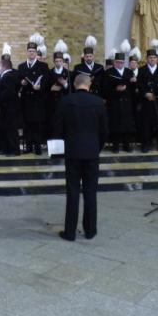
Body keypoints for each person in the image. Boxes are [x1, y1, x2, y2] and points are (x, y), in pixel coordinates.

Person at [52, 74, 108, 241]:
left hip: (72, 152)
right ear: (89, 85)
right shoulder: (99, 102)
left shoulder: (65, 101)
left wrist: (60, 149)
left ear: (75, 84)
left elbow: (57, 127)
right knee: (91, 192)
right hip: (91, 152)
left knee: (73, 192)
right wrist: (96, 148)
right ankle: (90, 230)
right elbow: (105, 131)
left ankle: (70, 232)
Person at [136, 47, 158, 153]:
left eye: (154, 57)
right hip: (148, 102)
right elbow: (139, 85)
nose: (152, 59)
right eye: (150, 57)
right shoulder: (142, 70)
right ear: (147, 59)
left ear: (157, 59)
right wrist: (145, 93)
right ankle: (146, 145)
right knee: (147, 124)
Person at [18, 41, 49, 155]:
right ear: (27, 52)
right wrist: (21, 83)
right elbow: (18, 80)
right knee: (27, 124)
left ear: (36, 53)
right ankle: (28, 146)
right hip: (26, 99)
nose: (31, 53)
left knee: (37, 124)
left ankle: (38, 146)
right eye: (29, 51)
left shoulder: (43, 66)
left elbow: (47, 81)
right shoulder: (21, 66)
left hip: (37, 99)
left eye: (33, 51)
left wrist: (40, 87)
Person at [103, 52, 136, 153]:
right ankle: (115, 146)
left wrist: (133, 82)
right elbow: (105, 89)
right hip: (114, 102)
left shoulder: (129, 72)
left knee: (127, 125)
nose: (119, 64)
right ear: (114, 62)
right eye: (117, 62)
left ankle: (127, 145)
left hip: (126, 102)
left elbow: (134, 90)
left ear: (124, 63)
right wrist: (116, 90)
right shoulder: (108, 73)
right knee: (115, 125)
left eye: (121, 62)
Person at [0, 58, 22, 156]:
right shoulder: (12, 75)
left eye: (0, 66)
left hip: (9, 108)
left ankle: (14, 150)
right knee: (7, 129)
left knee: (11, 129)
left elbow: (8, 92)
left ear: (4, 66)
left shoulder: (8, 76)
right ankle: (7, 149)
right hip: (8, 107)